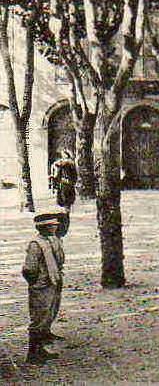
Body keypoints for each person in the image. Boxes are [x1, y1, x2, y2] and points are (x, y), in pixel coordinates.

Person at [22, 212, 66, 364]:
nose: (56, 227)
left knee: (49, 314)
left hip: (52, 282)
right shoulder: (36, 244)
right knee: (39, 318)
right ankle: (33, 353)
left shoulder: (52, 240)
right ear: (46, 227)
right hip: (41, 285)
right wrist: (35, 283)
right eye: (53, 225)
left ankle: (41, 347)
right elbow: (29, 268)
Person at [50, 150, 77, 217]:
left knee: (65, 198)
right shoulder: (71, 164)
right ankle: (66, 211)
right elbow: (75, 175)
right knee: (67, 200)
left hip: (64, 184)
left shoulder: (62, 164)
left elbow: (57, 175)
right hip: (68, 184)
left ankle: (66, 212)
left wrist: (55, 180)